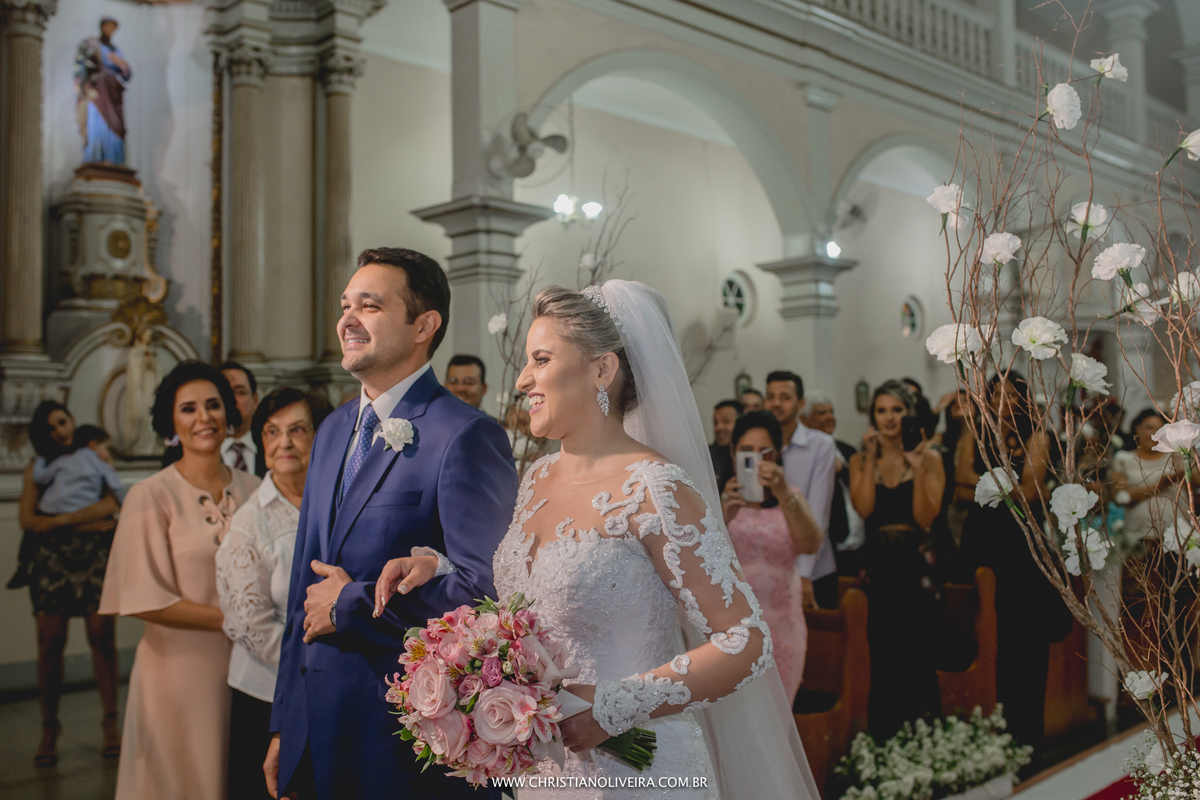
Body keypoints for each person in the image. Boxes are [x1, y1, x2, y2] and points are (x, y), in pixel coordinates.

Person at [376, 281, 818, 799]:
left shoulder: (655, 487)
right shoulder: (537, 478)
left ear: (601, 369)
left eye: (540, 359)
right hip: (545, 774)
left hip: (640, 772)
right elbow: (536, 602)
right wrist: (441, 570)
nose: (521, 380)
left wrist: (615, 707)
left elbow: (746, 641)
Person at [265, 248, 518, 800]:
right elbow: (300, 593)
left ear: (424, 325)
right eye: (346, 305)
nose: (347, 320)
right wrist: (286, 721)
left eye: (371, 305)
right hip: (316, 723)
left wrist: (352, 603)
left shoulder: (465, 435)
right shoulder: (332, 429)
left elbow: (489, 596)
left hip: (401, 738)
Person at [99, 361, 261, 800]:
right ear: (171, 422)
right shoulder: (150, 494)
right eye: (188, 409)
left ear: (229, 414)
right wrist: (235, 621)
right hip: (177, 675)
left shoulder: (255, 490)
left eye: (213, 405)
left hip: (251, 673)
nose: (203, 417)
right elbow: (141, 598)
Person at [215, 387, 332, 800]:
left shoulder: (335, 505)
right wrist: (315, 663)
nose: (284, 442)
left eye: (298, 430)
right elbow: (249, 623)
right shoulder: (250, 522)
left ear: (322, 436)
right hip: (267, 695)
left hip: (331, 689)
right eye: (271, 431)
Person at [957, 372, 1071, 767]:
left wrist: (986, 487)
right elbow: (959, 475)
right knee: (984, 637)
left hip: (1021, 545)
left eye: (1010, 395)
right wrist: (991, 486)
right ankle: (988, 739)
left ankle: (1027, 742)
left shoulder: (1037, 436)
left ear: (1024, 400)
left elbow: (1030, 487)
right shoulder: (975, 432)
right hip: (982, 541)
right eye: (995, 394)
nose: (1002, 402)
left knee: (1024, 645)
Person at [14, 402, 123, 767]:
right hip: (52, 559)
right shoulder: (38, 467)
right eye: (51, 428)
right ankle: (49, 729)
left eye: (63, 422)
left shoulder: (91, 457)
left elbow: (111, 504)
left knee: (102, 637)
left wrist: (63, 521)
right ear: (41, 435)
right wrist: (85, 523)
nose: (60, 431)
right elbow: (29, 520)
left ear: (72, 421)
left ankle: (111, 723)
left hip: (94, 555)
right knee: (50, 641)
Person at [849, 381, 946, 738]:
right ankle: (885, 741)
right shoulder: (860, 460)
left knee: (917, 660)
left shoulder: (931, 457)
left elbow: (925, 517)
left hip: (916, 572)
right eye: (881, 410)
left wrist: (918, 468)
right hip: (878, 570)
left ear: (909, 414)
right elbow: (864, 508)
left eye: (896, 410)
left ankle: (923, 740)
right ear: (873, 416)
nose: (889, 418)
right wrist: (872, 458)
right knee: (882, 661)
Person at [719, 410, 823, 700]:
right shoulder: (717, 501)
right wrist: (722, 515)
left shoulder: (790, 498)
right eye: (746, 451)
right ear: (732, 452)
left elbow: (809, 545)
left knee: (779, 720)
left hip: (783, 630)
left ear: (776, 454)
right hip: (732, 633)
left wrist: (783, 492)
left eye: (764, 452)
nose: (756, 459)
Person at [766, 371, 837, 609]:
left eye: (784, 397)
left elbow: (819, 512)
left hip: (814, 569)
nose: (776, 403)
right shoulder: (760, 446)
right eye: (771, 396)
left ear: (801, 403)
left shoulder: (820, 445)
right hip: (770, 567)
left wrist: (804, 573)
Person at [803, 392, 864, 571]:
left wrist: (842, 469)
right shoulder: (804, 454)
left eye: (831, 412)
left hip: (857, 544)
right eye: (821, 413)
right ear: (805, 419)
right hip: (827, 545)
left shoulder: (847, 450)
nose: (829, 417)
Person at [1112, 409, 1185, 541]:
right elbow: (1119, 497)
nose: (1155, 434)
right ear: (1137, 428)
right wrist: (1160, 485)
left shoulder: (1177, 456)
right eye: (1149, 428)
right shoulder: (1123, 460)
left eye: (1160, 429)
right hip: (1138, 537)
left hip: (1177, 537)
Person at [74, 17, 131, 164]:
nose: (111, 31)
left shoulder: (116, 50)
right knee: (96, 125)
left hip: (112, 93)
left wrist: (122, 65)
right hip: (97, 91)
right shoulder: (92, 45)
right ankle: (95, 159)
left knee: (116, 125)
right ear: (102, 27)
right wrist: (84, 86)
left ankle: (114, 160)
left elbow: (127, 75)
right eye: (109, 27)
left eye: (114, 29)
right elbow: (81, 68)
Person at [221, 361, 265, 476]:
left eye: (240, 392)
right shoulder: (192, 452)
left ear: (255, 400)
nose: (232, 400)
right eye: (225, 393)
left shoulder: (270, 446)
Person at [710, 399, 742, 490]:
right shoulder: (707, 456)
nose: (719, 427)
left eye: (726, 421)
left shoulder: (750, 452)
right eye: (715, 423)